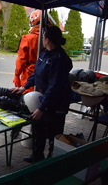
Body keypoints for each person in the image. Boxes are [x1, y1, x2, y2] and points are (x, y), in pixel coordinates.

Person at [10, 25, 73, 163]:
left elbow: (54, 87)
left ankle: (53, 160)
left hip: (57, 101)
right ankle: (37, 156)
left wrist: (41, 108)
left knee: (53, 131)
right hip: (44, 97)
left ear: (48, 39)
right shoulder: (45, 54)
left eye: (43, 37)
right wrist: (24, 87)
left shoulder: (59, 59)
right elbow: (36, 74)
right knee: (38, 127)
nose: (42, 39)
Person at [13, 10, 41, 93]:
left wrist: (17, 75)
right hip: (45, 73)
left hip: (30, 73)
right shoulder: (49, 37)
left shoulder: (27, 38)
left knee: (28, 98)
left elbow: (21, 59)